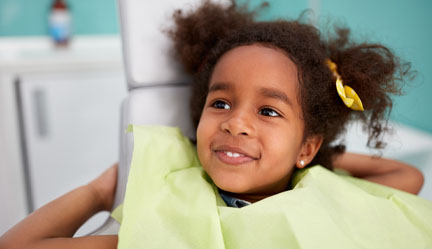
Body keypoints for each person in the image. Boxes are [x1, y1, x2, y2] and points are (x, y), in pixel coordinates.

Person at [0, 1, 425, 248]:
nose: (235, 123)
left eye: (268, 111)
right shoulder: (170, 212)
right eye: (220, 102)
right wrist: (97, 193)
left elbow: (407, 175)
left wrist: (317, 160)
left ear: (307, 148)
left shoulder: (324, 191)